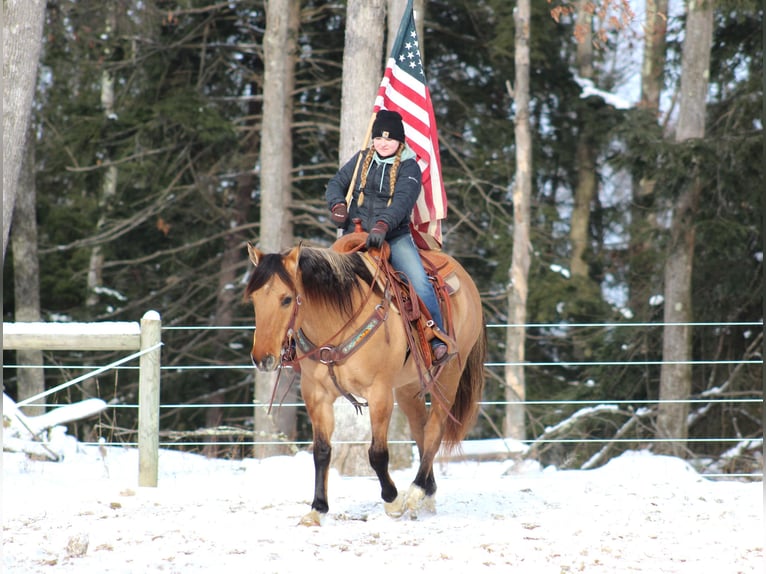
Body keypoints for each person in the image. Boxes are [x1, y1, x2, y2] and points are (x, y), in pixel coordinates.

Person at [325, 109, 453, 366]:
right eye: (379, 138)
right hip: (354, 234)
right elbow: (337, 183)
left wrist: (384, 224)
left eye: (389, 139)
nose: (383, 143)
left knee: (419, 280)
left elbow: (404, 201)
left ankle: (436, 337)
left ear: (399, 142)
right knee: (320, 277)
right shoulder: (363, 159)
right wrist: (338, 205)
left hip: (393, 236)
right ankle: (303, 339)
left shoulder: (409, 166)